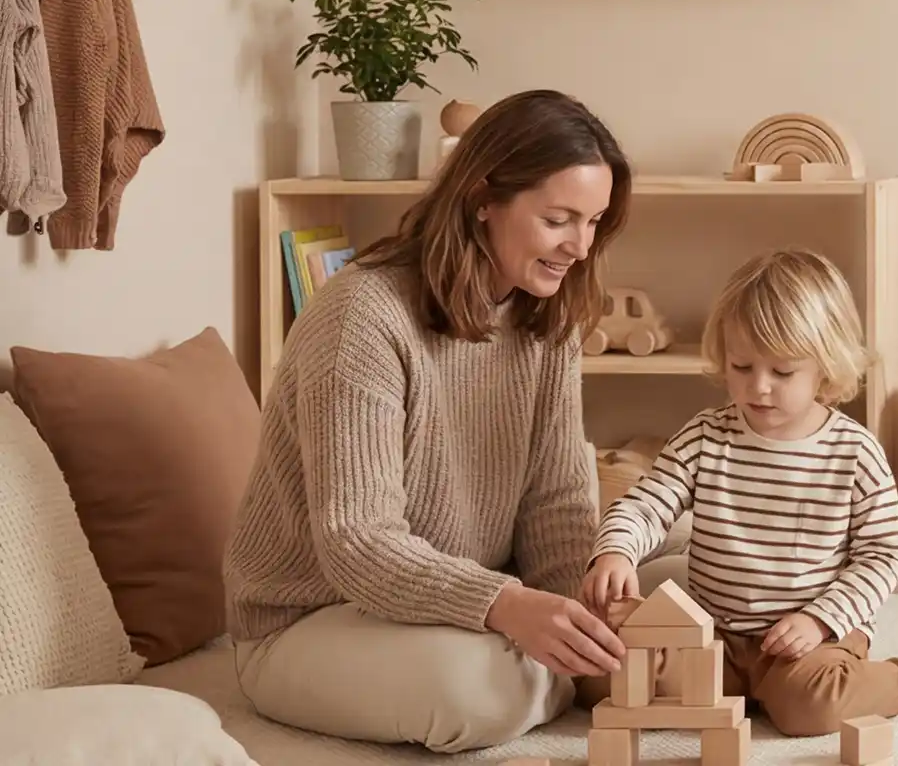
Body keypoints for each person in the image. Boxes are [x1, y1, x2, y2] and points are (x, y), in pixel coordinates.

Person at [224, 90, 634, 750]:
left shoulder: (547, 320)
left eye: (594, 223)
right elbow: (358, 541)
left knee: (667, 579)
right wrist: (510, 608)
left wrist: (576, 616)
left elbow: (557, 503)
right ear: (482, 198)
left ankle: (544, 666)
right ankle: (531, 673)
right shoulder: (362, 316)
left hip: (461, 606)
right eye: (560, 219)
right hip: (315, 620)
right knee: (478, 694)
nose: (580, 247)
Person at [580, 249, 898, 734]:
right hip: (712, 636)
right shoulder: (705, 436)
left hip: (814, 637)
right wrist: (615, 551)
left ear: (826, 370)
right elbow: (646, 504)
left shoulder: (854, 452)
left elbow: (883, 555)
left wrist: (821, 620)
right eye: (742, 366)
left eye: (782, 372)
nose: (758, 387)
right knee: (604, 679)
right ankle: (745, 690)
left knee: (812, 707)